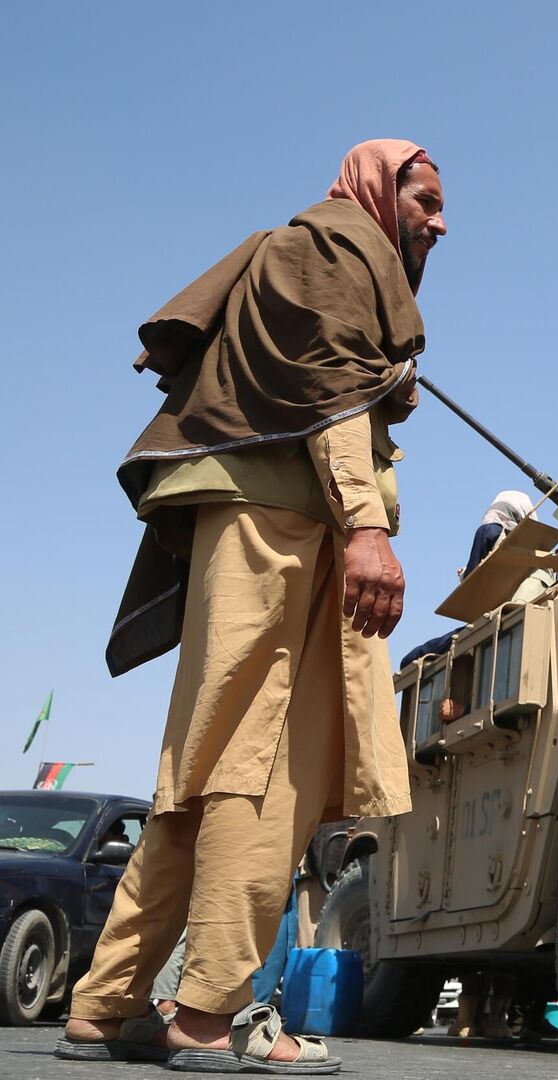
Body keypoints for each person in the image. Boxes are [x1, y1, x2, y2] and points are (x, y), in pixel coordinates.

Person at [63, 139, 442, 1073]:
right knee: (268, 766)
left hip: (256, 519)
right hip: (291, 522)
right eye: (426, 200)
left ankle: (105, 1007)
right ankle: (208, 1015)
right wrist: (365, 528)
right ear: (374, 189)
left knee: (202, 767)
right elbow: (329, 394)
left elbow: (325, 380)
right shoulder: (339, 249)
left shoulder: (301, 249)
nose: (440, 221)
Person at [399, 491, 538, 667]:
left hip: (497, 623)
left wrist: (468, 573)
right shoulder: (540, 553)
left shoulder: (490, 531)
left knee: (412, 659)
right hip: (514, 621)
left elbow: (472, 588)